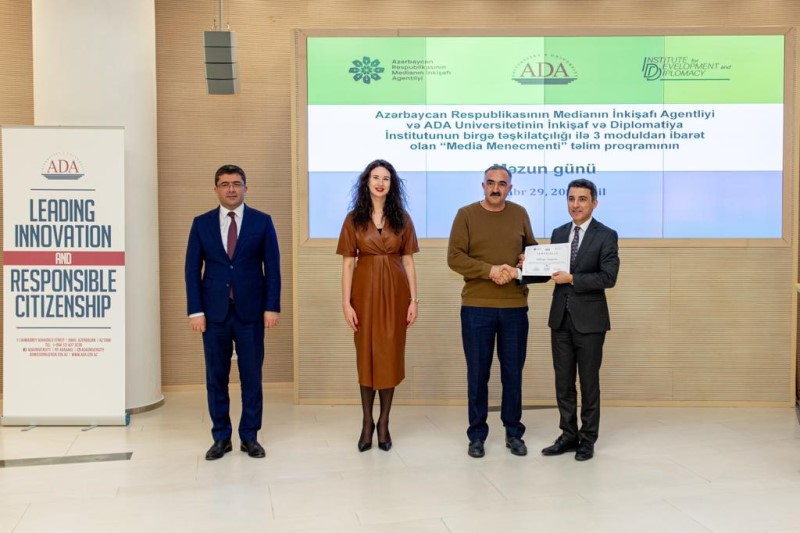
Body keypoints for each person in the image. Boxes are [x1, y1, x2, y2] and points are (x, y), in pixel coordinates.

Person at [447, 164, 543, 459]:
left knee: (513, 374)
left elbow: (533, 255)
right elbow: (454, 257)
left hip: (514, 308)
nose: (496, 188)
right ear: (483, 186)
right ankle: (476, 435)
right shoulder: (465, 215)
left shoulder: (520, 213)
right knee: (478, 374)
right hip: (477, 308)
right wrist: (490, 270)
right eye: (491, 183)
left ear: (510, 188)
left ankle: (514, 433)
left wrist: (522, 263)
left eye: (502, 184)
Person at [185, 164, 281, 460]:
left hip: (251, 313)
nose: (231, 189)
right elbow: (191, 270)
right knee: (216, 378)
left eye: (236, 184)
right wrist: (195, 311)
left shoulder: (262, 222)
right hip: (213, 314)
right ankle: (221, 437)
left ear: (245, 188)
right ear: (215, 189)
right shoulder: (201, 224)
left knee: (252, 377)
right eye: (225, 184)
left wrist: (272, 306)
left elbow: (273, 269)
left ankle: (249, 436)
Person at [337, 159, 419, 452]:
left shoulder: (402, 218)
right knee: (366, 356)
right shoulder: (354, 219)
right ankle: (366, 422)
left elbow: (408, 261)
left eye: (386, 178)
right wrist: (346, 303)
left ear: (392, 184)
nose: (380, 182)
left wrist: (413, 300)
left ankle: (383, 422)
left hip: (396, 295)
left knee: (389, 356)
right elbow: (348, 265)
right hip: (364, 294)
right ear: (367, 182)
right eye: (375, 177)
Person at [538, 178, 619, 461]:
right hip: (560, 318)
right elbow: (550, 270)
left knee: (588, 383)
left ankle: (588, 439)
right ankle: (568, 435)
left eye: (582, 199)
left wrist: (573, 278)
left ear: (594, 202)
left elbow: (608, 277)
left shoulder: (606, 235)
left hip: (590, 321)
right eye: (571, 199)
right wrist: (529, 265)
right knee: (563, 382)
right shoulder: (559, 232)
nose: (576, 204)